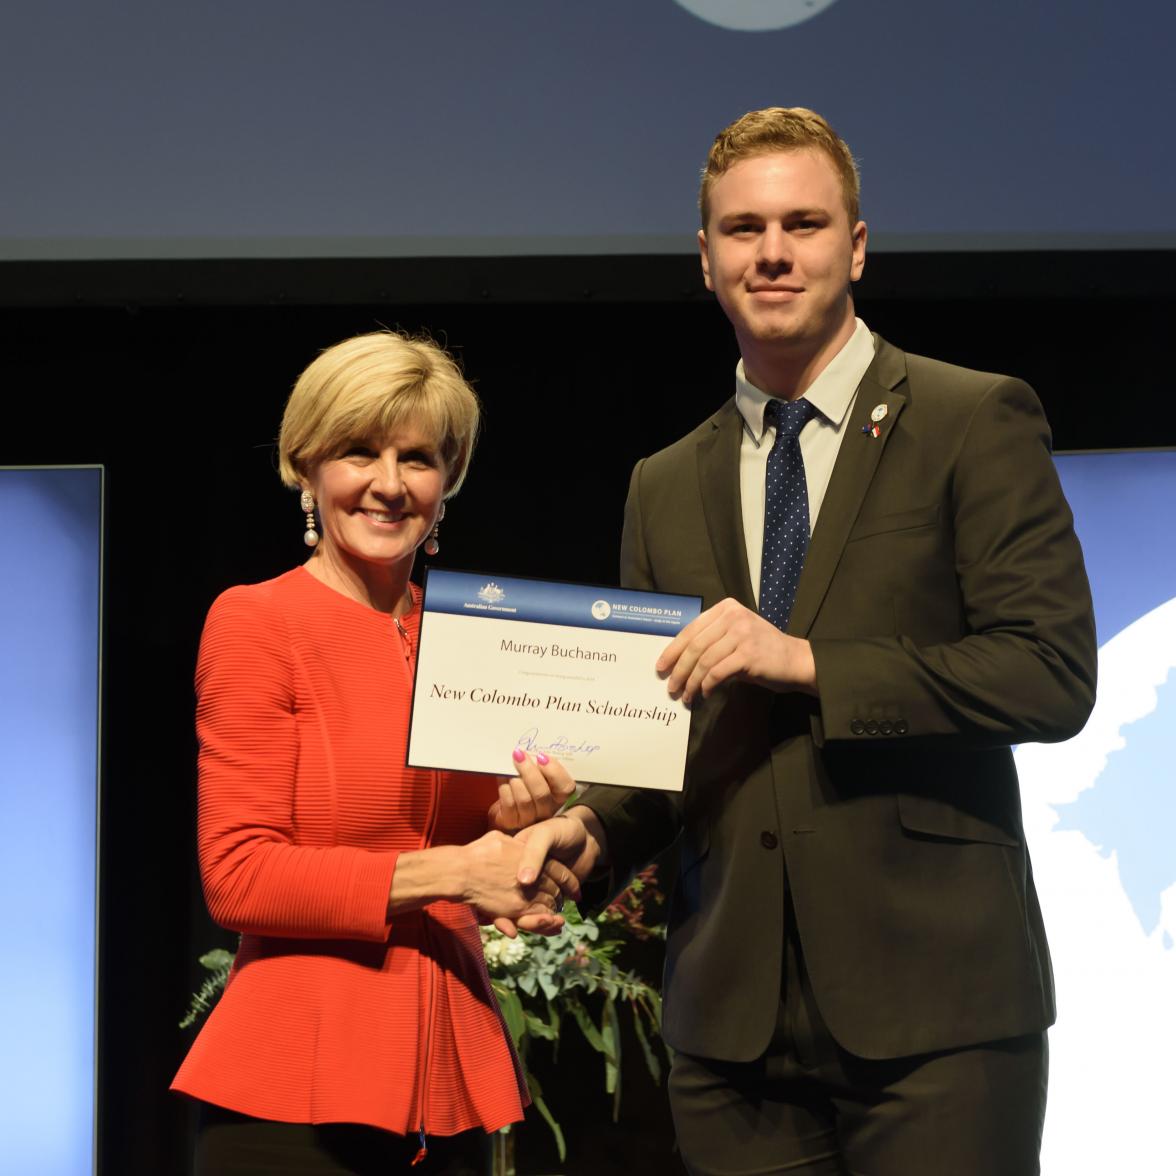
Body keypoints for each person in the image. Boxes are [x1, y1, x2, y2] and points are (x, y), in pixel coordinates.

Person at [515, 107, 1097, 1175]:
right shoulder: (663, 482)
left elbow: (1049, 672)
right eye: (743, 229)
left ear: (857, 246)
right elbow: (666, 744)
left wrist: (808, 661)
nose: (773, 252)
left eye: (802, 223)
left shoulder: (973, 420)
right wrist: (590, 833)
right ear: (705, 260)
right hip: (732, 1029)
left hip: (939, 1019)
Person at [171, 330, 578, 1175]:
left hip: (451, 1079)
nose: (389, 485)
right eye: (360, 451)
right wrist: (459, 872)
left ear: (449, 479)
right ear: (305, 467)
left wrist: (525, 834)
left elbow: (471, 842)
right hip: (294, 1091)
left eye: (418, 458)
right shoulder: (255, 622)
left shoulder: (476, 639)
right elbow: (239, 876)